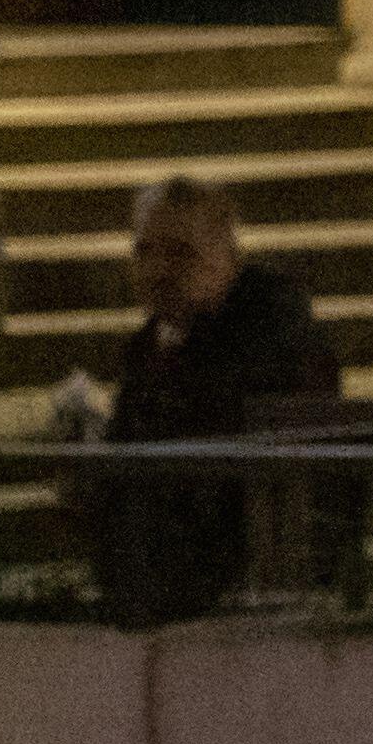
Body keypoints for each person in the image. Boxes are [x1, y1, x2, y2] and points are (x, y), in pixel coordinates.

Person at [75, 173, 343, 626]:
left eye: (181, 253)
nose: (159, 270)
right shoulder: (151, 343)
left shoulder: (272, 331)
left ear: (226, 257)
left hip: (244, 573)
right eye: (146, 251)